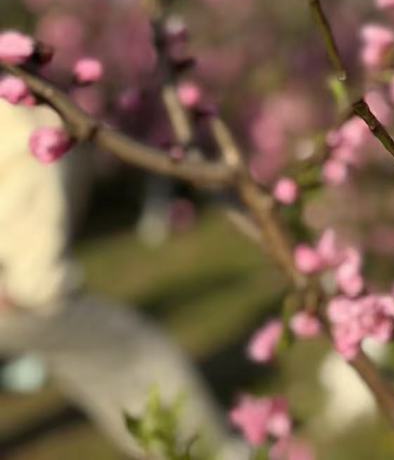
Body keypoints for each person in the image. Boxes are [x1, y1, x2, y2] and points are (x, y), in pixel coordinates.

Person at [0, 99, 247, 458]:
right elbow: (31, 200)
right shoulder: (21, 130)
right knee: (138, 355)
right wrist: (33, 283)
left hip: (23, 291)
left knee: (98, 366)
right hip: (26, 295)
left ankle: (173, 449)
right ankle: (210, 452)